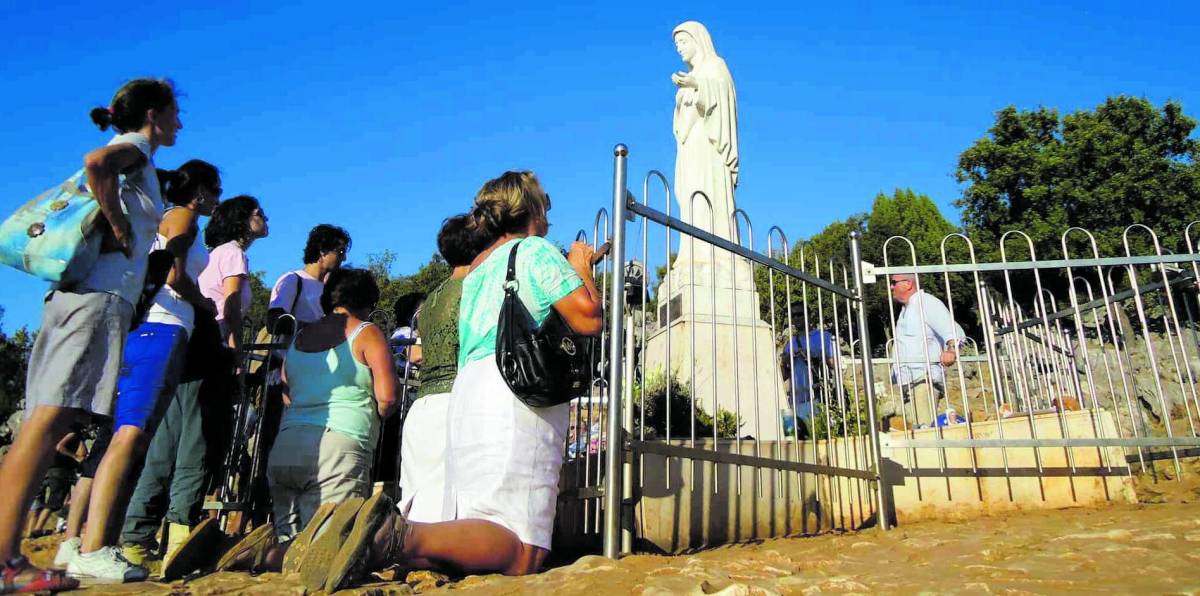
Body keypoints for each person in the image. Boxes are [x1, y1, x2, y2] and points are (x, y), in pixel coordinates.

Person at [310, 171, 604, 593]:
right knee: (521, 548)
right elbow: (588, 318)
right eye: (545, 207)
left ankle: (368, 543)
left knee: (479, 523)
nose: (549, 219)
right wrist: (580, 267)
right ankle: (394, 533)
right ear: (530, 210)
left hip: (472, 388)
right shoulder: (536, 251)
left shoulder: (480, 269)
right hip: (516, 395)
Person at [0, 78, 179, 593]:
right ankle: (6, 559)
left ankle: (8, 554)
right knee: (50, 416)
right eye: (174, 112)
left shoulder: (138, 153)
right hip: (95, 299)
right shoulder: (134, 149)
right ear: (153, 114)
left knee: (49, 416)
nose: (180, 124)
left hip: (81, 297)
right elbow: (96, 163)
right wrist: (121, 226)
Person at [246, 268, 398, 570]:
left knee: (292, 546)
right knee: (329, 549)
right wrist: (376, 419)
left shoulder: (300, 337)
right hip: (339, 445)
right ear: (367, 301)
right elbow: (388, 396)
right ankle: (255, 555)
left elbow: (286, 392)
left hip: (287, 444)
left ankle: (260, 554)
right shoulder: (366, 332)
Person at [117, 161, 224, 566]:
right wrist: (202, 302)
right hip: (171, 325)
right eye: (214, 190)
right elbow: (173, 270)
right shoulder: (184, 216)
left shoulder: (169, 216)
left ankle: (138, 535)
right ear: (199, 192)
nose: (217, 199)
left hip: (159, 326)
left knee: (163, 432)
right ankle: (169, 537)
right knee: (182, 433)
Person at [398, 214, 493, 523]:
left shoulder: (434, 298)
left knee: (417, 506)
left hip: (423, 406)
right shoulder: (476, 289)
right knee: (449, 512)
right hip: (455, 405)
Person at [885, 273, 964, 430]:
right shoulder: (907, 309)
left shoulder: (926, 302)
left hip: (924, 379)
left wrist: (951, 350)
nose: (891, 287)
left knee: (925, 431)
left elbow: (954, 331)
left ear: (908, 284)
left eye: (894, 282)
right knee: (916, 429)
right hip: (910, 381)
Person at [197, 195, 270, 352]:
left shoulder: (218, 252)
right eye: (260, 213)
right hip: (214, 340)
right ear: (241, 219)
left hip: (203, 334)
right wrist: (235, 351)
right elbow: (231, 307)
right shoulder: (234, 253)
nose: (266, 218)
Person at [266, 224, 352, 335]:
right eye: (340, 252)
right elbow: (274, 323)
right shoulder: (292, 280)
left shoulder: (331, 288)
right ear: (323, 251)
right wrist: (318, 328)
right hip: (289, 352)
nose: (344, 258)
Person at [25, 430, 84, 538]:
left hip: (46, 469)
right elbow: (65, 448)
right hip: (61, 471)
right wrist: (76, 457)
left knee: (38, 503)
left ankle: (31, 532)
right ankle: (37, 529)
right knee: (54, 502)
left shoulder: (55, 430)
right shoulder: (74, 432)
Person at [782, 328, 837, 434]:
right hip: (792, 403)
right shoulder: (790, 343)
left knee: (817, 440)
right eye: (794, 315)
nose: (796, 318)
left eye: (800, 314)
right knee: (791, 445)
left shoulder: (824, 337)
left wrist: (813, 355)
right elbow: (782, 375)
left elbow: (836, 366)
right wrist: (785, 361)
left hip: (816, 401)